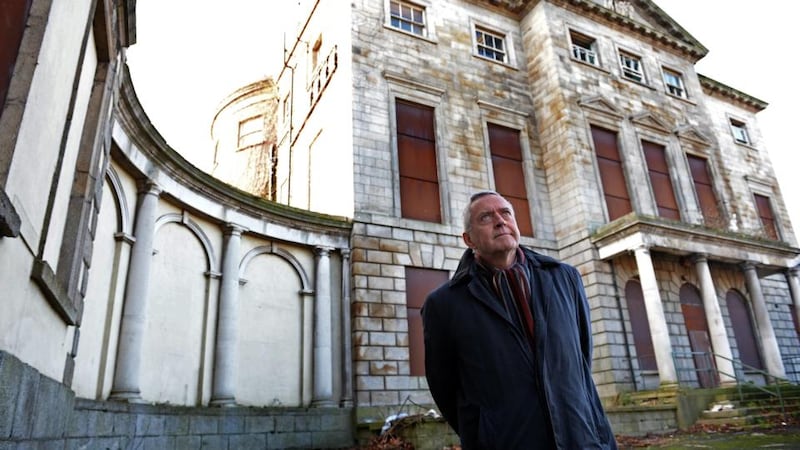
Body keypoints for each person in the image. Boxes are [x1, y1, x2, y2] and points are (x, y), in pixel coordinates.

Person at [422, 191, 618, 449]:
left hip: (580, 438)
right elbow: (445, 388)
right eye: (486, 217)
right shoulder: (443, 304)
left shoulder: (565, 277)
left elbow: (581, 355)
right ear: (469, 240)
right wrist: (484, 433)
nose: (500, 221)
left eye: (506, 213)